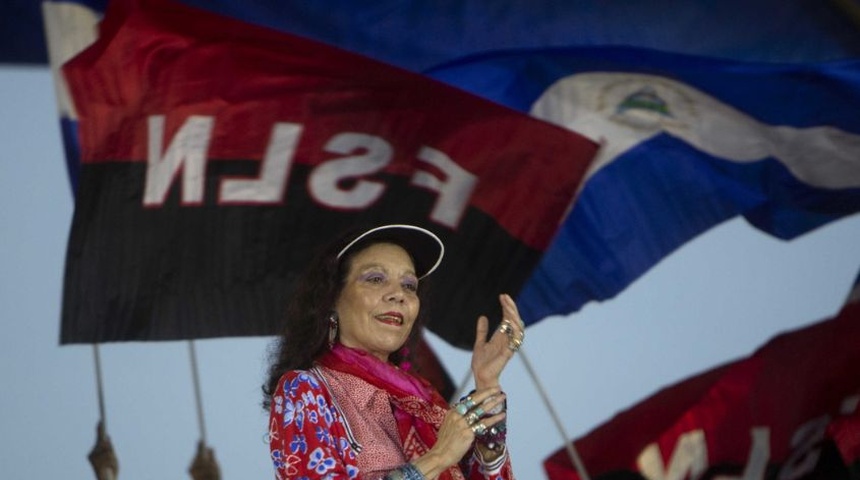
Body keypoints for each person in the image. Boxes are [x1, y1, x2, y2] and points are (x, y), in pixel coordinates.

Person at [262, 224, 525, 479]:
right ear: (331, 298)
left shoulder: (422, 401)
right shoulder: (306, 389)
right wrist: (438, 457)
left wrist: (487, 384)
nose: (398, 295)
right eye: (376, 279)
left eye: (409, 286)